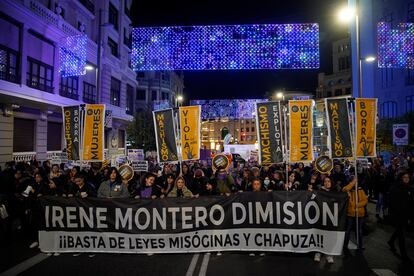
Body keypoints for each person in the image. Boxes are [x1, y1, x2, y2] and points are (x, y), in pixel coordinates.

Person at [387, 171, 412, 263]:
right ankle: (404, 255)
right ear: (401, 178)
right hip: (397, 215)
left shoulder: (410, 188)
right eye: (404, 177)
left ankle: (391, 241)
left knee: (400, 230)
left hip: (406, 215)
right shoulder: (395, 187)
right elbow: (392, 202)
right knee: (402, 234)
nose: (406, 179)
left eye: (408, 177)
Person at [342, 177, 368, 252]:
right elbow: (344, 189)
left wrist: (358, 205)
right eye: (353, 181)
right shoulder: (348, 190)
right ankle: (345, 245)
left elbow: (365, 200)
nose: (355, 183)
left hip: (360, 214)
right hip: (350, 214)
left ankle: (360, 245)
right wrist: (352, 183)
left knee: (359, 230)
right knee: (348, 230)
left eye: (356, 181)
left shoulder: (360, 190)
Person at [314, 176, 336, 264]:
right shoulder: (320, 192)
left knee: (329, 236)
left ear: (331, 183)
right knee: (320, 235)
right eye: (325, 181)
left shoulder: (335, 192)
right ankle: (318, 253)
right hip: (320, 217)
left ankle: (329, 254)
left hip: (330, 218)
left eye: (329, 181)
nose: (327, 183)